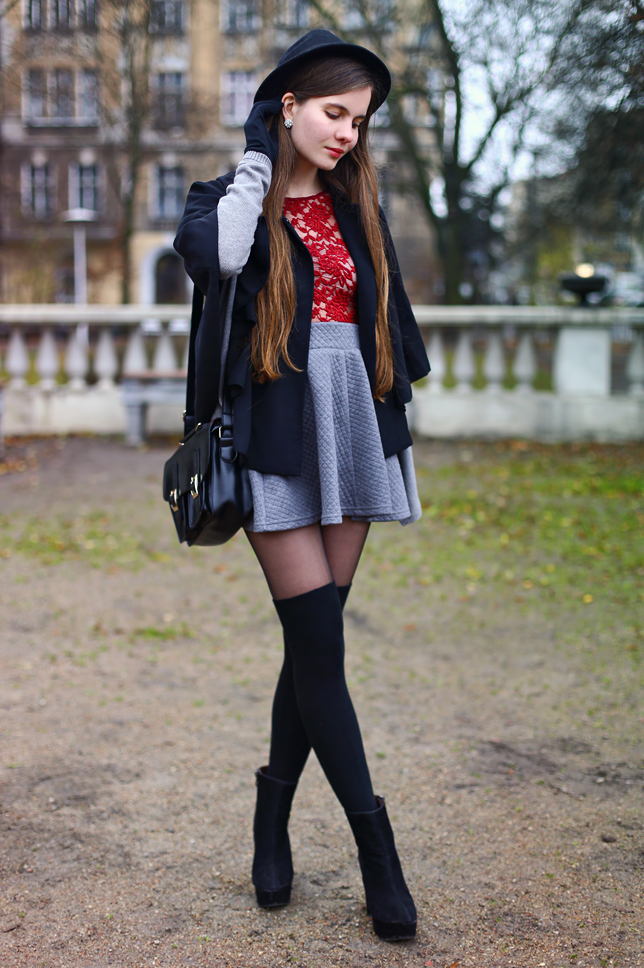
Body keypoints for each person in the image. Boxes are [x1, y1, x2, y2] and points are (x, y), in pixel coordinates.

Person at [173, 29, 430, 942]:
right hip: (273, 427)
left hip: (350, 421)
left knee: (312, 644)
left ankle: (271, 816)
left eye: (359, 119)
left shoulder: (360, 208)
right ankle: (377, 853)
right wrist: (258, 158)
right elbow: (220, 259)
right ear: (286, 106)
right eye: (333, 111)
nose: (348, 132)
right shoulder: (222, 201)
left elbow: (384, 323)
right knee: (318, 640)